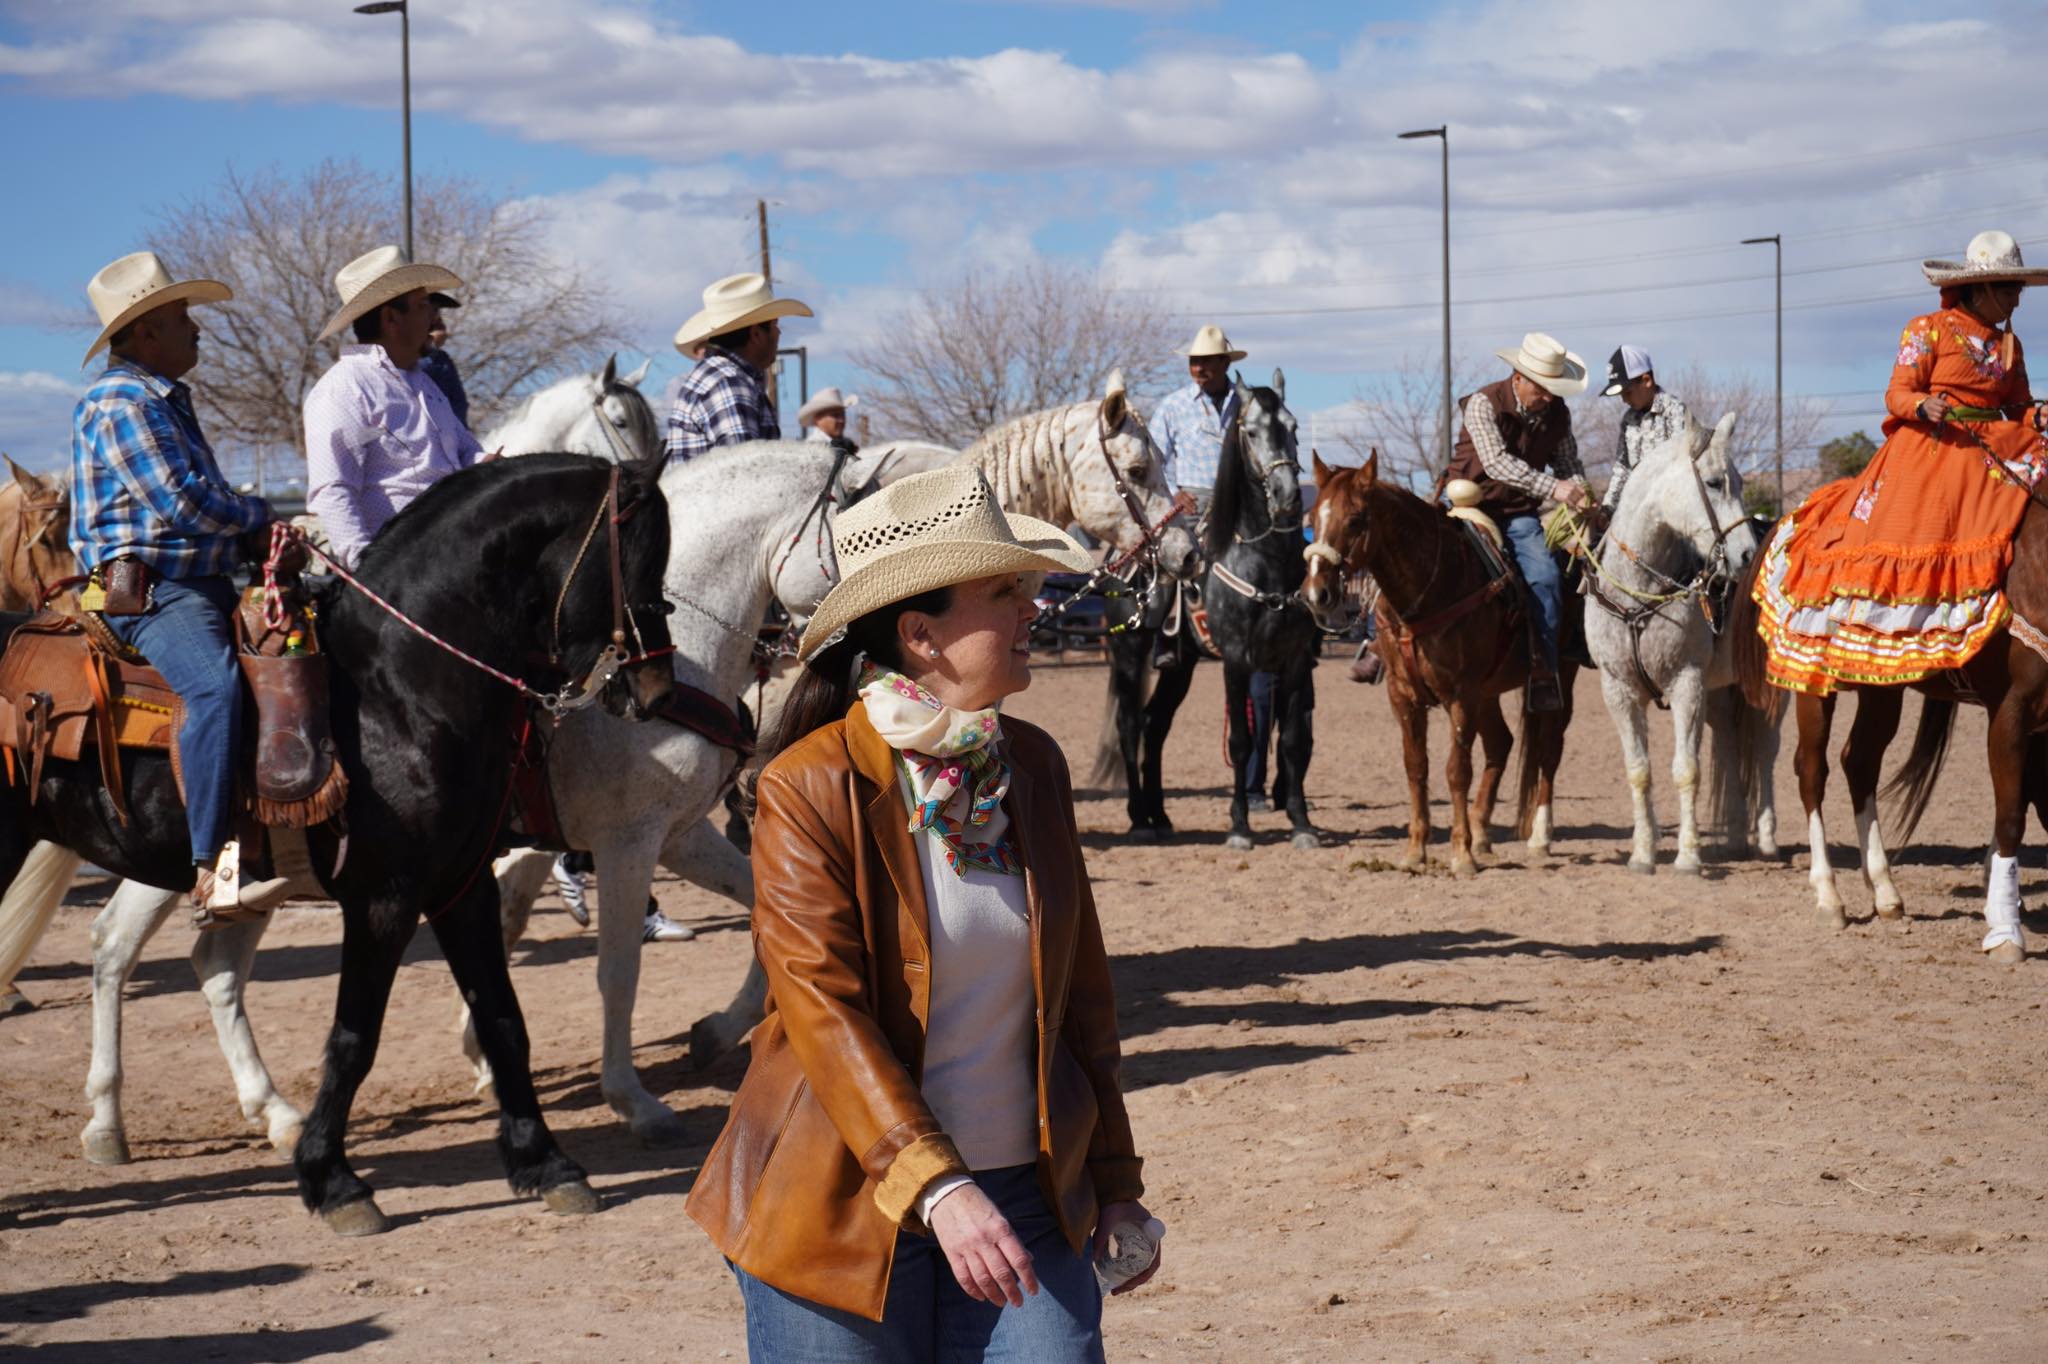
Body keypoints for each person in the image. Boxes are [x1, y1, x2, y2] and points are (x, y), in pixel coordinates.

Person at [687, 465, 1159, 1361]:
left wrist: (1115, 1180)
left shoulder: (1034, 766)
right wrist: (940, 1187)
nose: (1033, 609)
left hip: (1022, 1191)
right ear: (920, 635)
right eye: (1003, 591)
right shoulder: (808, 786)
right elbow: (825, 1014)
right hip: (832, 1200)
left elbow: (1083, 1000)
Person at [68, 251, 285, 921]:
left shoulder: (163, 397)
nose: (198, 329)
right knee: (213, 687)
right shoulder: (122, 401)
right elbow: (181, 505)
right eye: (181, 317)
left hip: (195, 579)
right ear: (144, 334)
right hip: (150, 590)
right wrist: (263, 517)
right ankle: (212, 870)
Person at [303, 245, 483, 571]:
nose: (433, 317)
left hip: (450, 558)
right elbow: (333, 492)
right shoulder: (344, 388)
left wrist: (489, 465)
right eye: (423, 305)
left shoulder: (425, 385)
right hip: (403, 572)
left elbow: (467, 451)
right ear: (391, 319)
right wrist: (367, 572)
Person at [1445, 331, 1593, 712]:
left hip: (1518, 515)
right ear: (1519, 377)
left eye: (1553, 389)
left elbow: (1568, 463)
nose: (1548, 396)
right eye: (1542, 388)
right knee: (1425, 562)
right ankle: (1376, 641)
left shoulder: (1558, 412)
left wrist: (1580, 491)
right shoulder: (1482, 403)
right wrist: (1554, 488)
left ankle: (1543, 670)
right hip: (1468, 506)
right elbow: (1496, 463)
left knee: (1545, 578)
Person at [664, 272, 812, 462]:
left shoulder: (722, 376)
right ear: (756, 334)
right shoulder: (728, 382)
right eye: (775, 325)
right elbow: (747, 472)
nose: (779, 332)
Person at [1598, 344, 1691, 516]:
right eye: (1621, 395)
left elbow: (1681, 466)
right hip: (1635, 509)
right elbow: (1623, 466)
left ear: (1646, 381)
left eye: (1628, 393)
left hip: (1670, 509)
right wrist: (1608, 508)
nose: (1624, 400)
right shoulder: (1628, 420)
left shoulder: (1675, 411)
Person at [416, 289, 470, 429]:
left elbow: (459, 404)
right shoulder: (396, 356)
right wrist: (432, 346)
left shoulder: (442, 359)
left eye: (437, 311)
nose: (437, 318)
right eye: (432, 310)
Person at [799, 386, 859, 453]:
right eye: (835, 415)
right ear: (818, 419)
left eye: (843, 415)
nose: (842, 420)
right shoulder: (811, 450)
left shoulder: (847, 446)